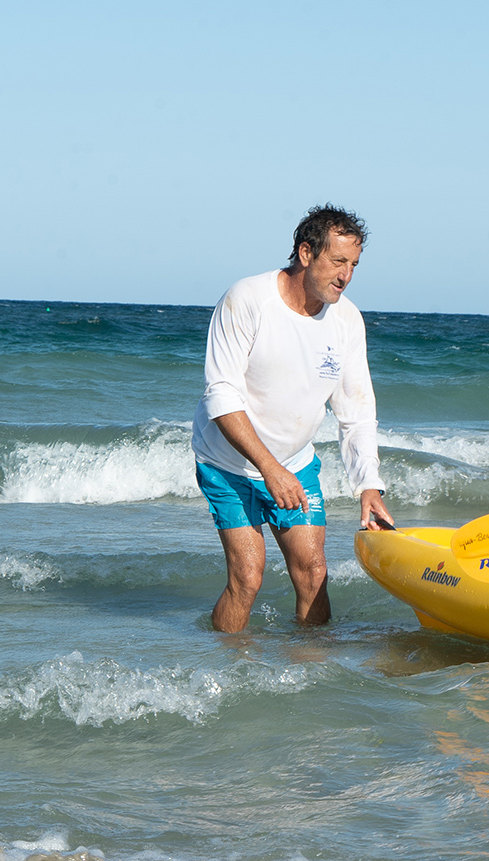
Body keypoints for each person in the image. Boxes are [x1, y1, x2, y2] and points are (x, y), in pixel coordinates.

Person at [191, 204, 393, 632]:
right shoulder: (247, 299)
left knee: (313, 573)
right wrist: (269, 469)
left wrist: (368, 485)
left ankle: (310, 678)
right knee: (247, 578)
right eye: (338, 261)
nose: (347, 275)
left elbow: (356, 412)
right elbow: (221, 397)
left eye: (354, 265)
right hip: (229, 463)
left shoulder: (347, 321)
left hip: (295, 462)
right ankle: (227, 674)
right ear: (306, 253)